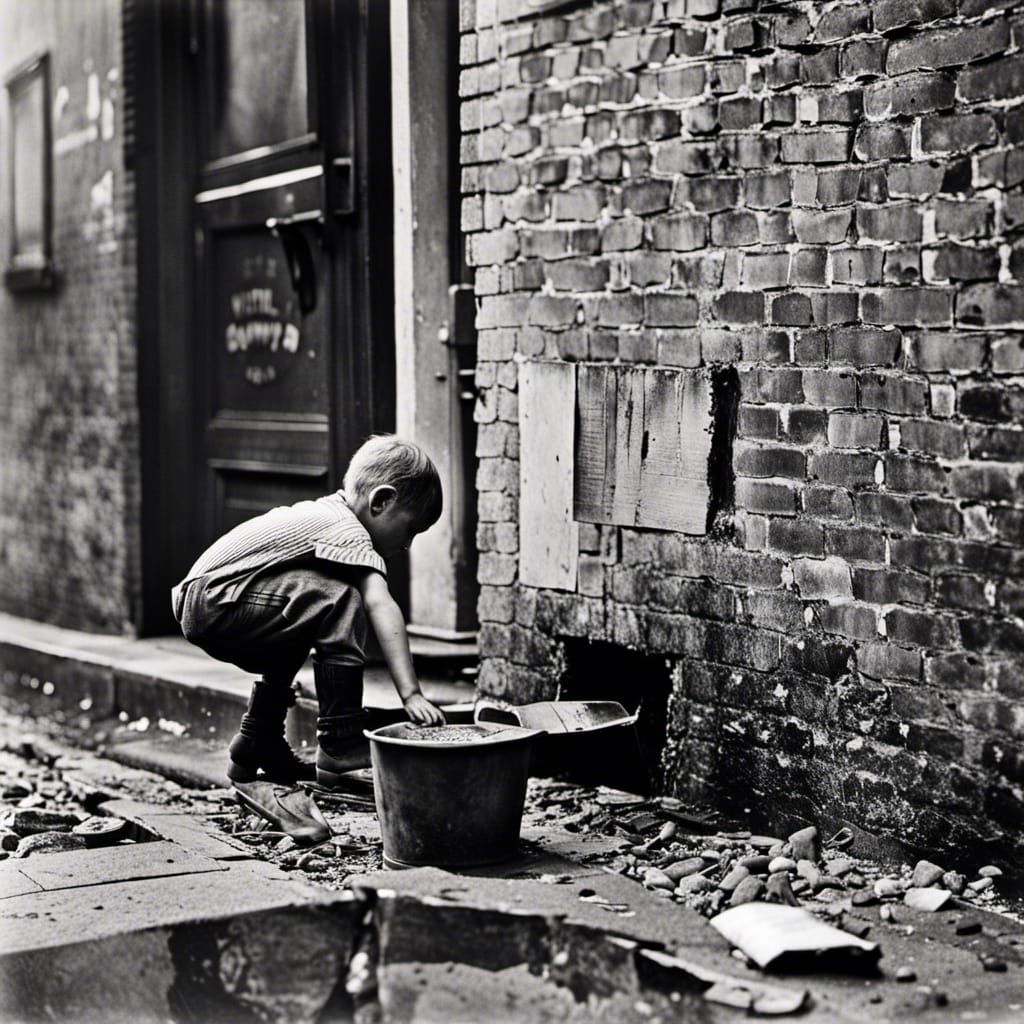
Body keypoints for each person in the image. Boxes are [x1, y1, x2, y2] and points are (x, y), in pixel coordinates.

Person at [171, 435, 446, 788]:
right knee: (340, 599)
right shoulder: (347, 529)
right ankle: (340, 739)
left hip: (210, 599)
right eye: (410, 529)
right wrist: (411, 694)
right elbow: (380, 603)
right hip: (214, 599)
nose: (407, 544)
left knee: (308, 617)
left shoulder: (328, 514)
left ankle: (257, 740)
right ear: (381, 501)